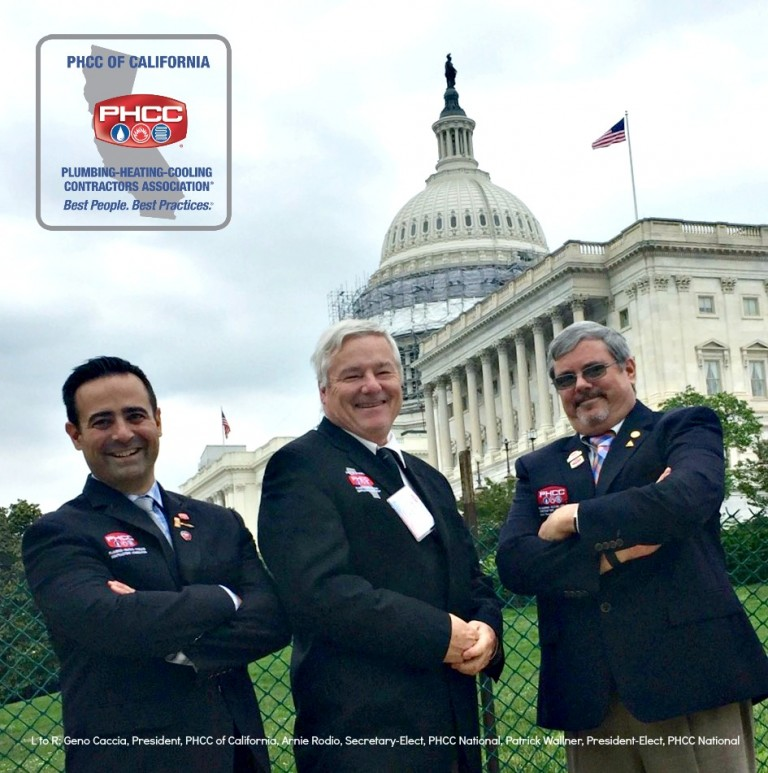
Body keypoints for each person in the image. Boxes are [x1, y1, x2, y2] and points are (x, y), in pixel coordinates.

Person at [496, 321, 768, 773]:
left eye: (594, 370)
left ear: (629, 368)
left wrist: (573, 518)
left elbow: (686, 500)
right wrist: (614, 552)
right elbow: (516, 565)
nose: (581, 386)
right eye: (566, 379)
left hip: (688, 681)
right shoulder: (538, 466)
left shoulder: (682, 427)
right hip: (589, 694)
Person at [23, 357, 290, 773]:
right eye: (102, 421)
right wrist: (225, 598)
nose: (123, 433)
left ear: (158, 420)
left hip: (237, 755)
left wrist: (168, 633)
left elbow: (273, 618)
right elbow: (109, 622)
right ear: (75, 435)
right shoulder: (58, 534)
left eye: (134, 416)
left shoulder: (218, 521)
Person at [257, 320, 503, 772]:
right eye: (353, 376)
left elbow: (471, 575)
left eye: (383, 372)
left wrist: (486, 631)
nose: (372, 386)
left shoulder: (424, 476)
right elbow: (319, 592)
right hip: (366, 735)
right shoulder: (301, 467)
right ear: (324, 391)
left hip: (452, 728)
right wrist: (440, 635)